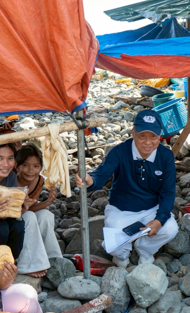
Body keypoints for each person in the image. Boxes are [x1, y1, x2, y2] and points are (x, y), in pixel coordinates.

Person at [75, 110, 178, 267]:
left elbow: (168, 192)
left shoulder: (166, 156)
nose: (148, 142)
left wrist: (158, 221)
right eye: (142, 135)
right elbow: (100, 175)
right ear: (133, 133)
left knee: (170, 228)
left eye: (153, 136)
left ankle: (144, 250)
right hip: (121, 210)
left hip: (151, 208)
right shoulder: (119, 151)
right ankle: (123, 255)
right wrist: (90, 180)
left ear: (160, 136)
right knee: (117, 252)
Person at [14, 143, 63, 277]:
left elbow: (32, 206)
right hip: (11, 220)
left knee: (46, 215)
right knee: (29, 216)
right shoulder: (11, 180)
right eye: (25, 165)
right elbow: (16, 212)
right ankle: (28, 264)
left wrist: (48, 202)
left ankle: (54, 258)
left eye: (36, 166)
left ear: (41, 167)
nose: (31, 170)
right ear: (17, 166)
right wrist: (23, 207)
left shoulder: (39, 180)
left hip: (25, 213)